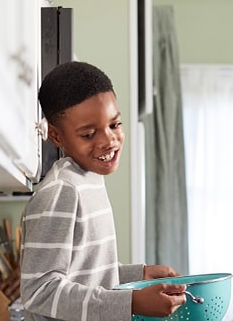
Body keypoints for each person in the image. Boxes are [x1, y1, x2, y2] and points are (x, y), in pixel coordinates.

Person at [21, 61, 187, 321]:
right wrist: (131, 302)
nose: (109, 139)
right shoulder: (61, 191)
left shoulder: (89, 178)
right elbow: (40, 291)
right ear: (56, 136)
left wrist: (138, 275)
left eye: (115, 124)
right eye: (88, 134)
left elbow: (86, 274)